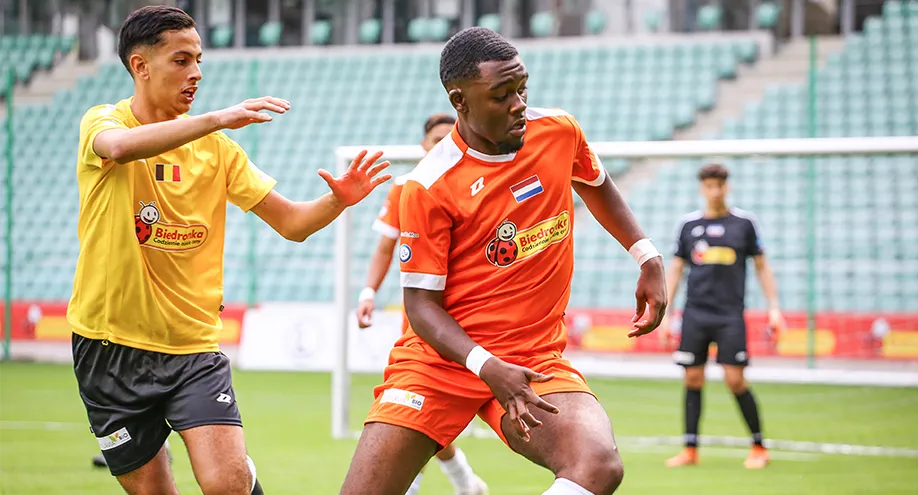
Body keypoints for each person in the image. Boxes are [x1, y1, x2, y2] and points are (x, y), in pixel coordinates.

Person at [69, 6, 390, 495]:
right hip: (109, 350)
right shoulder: (103, 122)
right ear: (141, 66)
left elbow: (293, 224)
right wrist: (217, 118)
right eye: (181, 60)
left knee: (227, 484)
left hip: (192, 348)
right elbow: (119, 148)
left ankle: (243, 473)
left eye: (199, 59)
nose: (196, 72)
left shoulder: (217, 150)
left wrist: (337, 201)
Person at [339, 27, 667, 495]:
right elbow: (421, 306)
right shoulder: (429, 185)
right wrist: (485, 365)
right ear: (460, 100)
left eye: (522, 88)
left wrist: (646, 255)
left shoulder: (558, 132)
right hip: (440, 364)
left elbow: (595, 183)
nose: (519, 104)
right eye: (501, 95)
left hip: (533, 358)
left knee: (597, 464)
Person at [357, 112, 489, 495]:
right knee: (415, 408)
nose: (443, 145)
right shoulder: (407, 186)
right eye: (436, 139)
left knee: (425, 413)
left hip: (474, 317)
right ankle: (463, 483)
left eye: (452, 137)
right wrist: (368, 292)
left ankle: (456, 482)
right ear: (423, 145)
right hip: (421, 320)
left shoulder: (479, 182)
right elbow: (385, 245)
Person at [658, 163, 784, 470]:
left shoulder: (744, 224)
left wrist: (774, 307)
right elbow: (676, 269)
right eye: (709, 186)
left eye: (719, 185)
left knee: (735, 379)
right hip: (695, 314)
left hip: (729, 315)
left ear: (727, 187)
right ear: (702, 188)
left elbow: (762, 266)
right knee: (692, 377)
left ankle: (758, 446)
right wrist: (665, 314)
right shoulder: (688, 225)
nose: (714, 191)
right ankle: (690, 449)